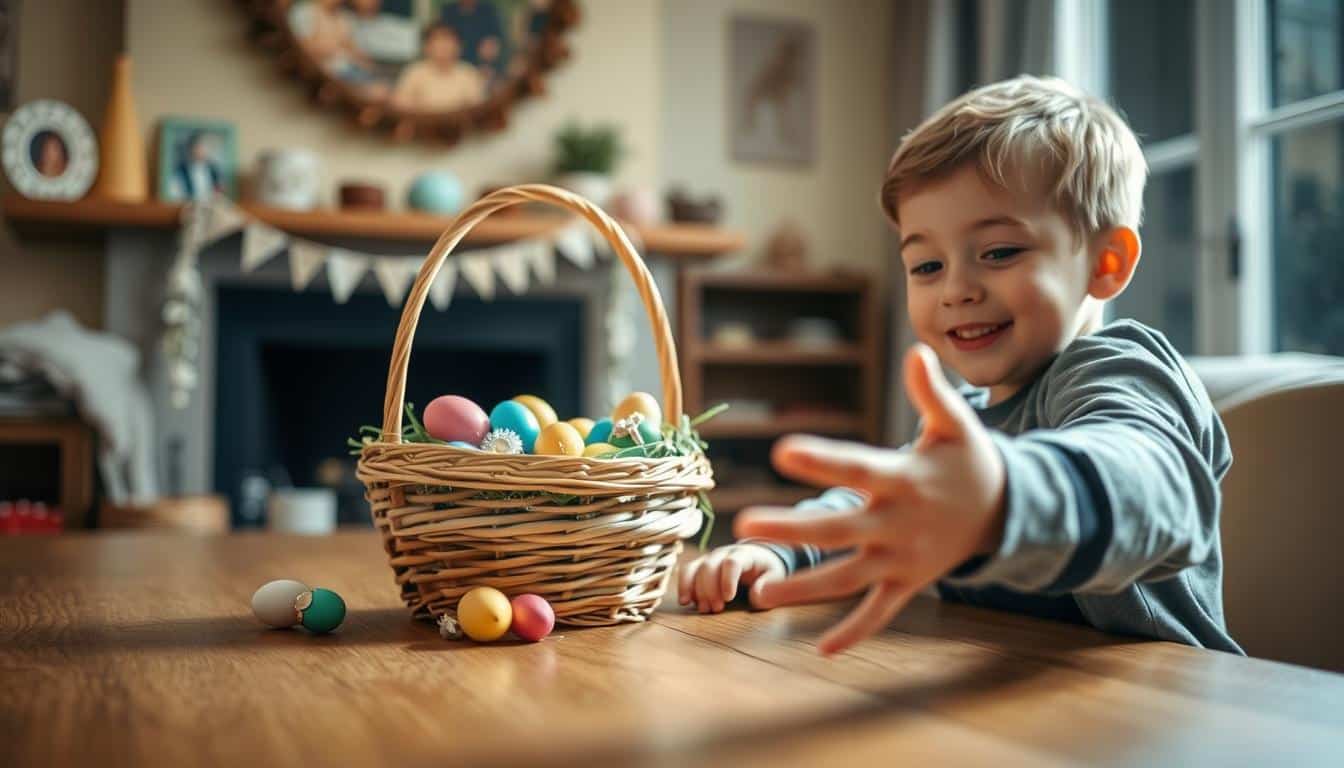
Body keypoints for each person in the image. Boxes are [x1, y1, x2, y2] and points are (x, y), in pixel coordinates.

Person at [679, 75, 1243, 658]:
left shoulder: (1116, 368)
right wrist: (779, 550)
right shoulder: (965, 419)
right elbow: (879, 505)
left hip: (1161, 696)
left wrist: (1003, 497)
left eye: (999, 252)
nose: (955, 290)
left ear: (1107, 262)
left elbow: (1158, 487)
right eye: (927, 266)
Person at [390, 23, 484, 113]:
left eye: (448, 41)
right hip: (421, 122)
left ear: (459, 47)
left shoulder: (469, 73)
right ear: (426, 47)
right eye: (438, 41)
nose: (444, 46)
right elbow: (401, 105)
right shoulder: (414, 72)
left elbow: (477, 108)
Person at [169, 131, 224, 202]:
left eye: (206, 147)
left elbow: (219, 192)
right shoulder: (180, 172)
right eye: (199, 147)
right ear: (191, 148)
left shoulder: (214, 170)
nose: (203, 150)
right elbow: (174, 197)